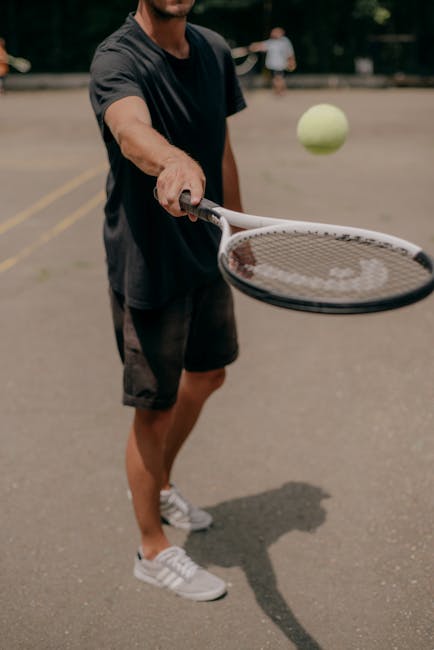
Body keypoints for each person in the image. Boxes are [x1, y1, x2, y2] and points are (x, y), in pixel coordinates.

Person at [89, 0, 246, 602]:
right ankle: (151, 550)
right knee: (152, 409)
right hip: (148, 261)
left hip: (207, 250)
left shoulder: (213, 49)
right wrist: (175, 161)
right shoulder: (118, 58)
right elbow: (131, 130)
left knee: (208, 375)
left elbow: (221, 146)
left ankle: (159, 483)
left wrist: (239, 232)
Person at [249, 27, 296, 95]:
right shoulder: (271, 42)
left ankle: (280, 91)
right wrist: (253, 46)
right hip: (273, 64)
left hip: (280, 64)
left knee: (278, 77)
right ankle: (279, 90)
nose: (272, 33)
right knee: (277, 77)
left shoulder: (285, 41)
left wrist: (291, 61)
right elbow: (262, 46)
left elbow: (290, 53)